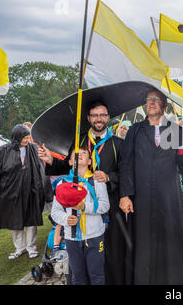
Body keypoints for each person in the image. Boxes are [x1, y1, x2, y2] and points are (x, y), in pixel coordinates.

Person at [118, 89, 183, 285]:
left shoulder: (175, 130)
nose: (152, 102)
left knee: (169, 239)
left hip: (168, 196)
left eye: (156, 99)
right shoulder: (135, 130)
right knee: (143, 241)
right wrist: (125, 194)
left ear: (164, 105)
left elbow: (181, 161)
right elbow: (126, 163)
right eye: (148, 99)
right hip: (141, 196)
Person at [38, 100, 126, 285]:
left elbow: (126, 172)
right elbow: (69, 165)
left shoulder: (118, 143)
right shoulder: (80, 142)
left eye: (102, 115)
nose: (99, 119)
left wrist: (109, 178)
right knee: (81, 260)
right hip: (80, 204)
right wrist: (51, 161)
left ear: (108, 117)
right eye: (95, 115)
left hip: (110, 201)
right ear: (88, 118)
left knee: (111, 250)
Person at [0, 124, 51, 259]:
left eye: (28, 137)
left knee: (31, 219)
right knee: (15, 220)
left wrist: (43, 188)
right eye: (25, 137)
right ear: (17, 137)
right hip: (11, 193)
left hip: (31, 191)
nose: (27, 140)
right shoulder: (3, 150)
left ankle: (31, 248)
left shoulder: (32, 148)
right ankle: (20, 248)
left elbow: (41, 168)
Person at [51, 145, 110, 285]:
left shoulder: (97, 181)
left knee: (97, 275)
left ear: (90, 161)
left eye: (84, 153)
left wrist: (85, 207)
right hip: (72, 238)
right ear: (70, 162)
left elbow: (105, 205)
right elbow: (55, 211)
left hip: (95, 236)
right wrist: (66, 219)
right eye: (75, 154)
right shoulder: (62, 183)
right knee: (78, 277)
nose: (79, 155)